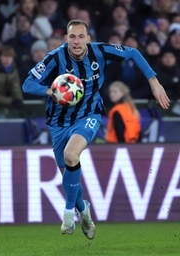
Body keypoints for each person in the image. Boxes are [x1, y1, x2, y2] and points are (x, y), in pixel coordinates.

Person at [22, 19, 170, 239]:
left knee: (71, 155)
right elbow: (27, 84)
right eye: (72, 36)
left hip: (88, 115)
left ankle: (68, 213)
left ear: (88, 39)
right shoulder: (55, 58)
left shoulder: (100, 51)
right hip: (59, 123)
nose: (77, 41)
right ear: (66, 39)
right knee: (68, 174)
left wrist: (154, 82)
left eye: (81, 36)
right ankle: (84, 211)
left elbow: (134, 53)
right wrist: (52, 91)